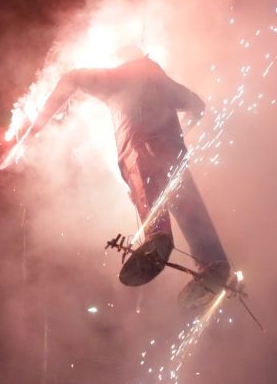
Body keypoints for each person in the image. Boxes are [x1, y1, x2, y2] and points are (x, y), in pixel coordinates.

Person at [29, 45, 231, 308]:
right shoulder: (163, 82)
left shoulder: (115, 78)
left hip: (137, 148)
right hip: (174, 151)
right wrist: (187, 129)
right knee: (187, 201)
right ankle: (213, 259)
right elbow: (198, 105)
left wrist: (37, 124)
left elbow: (72, 78)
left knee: (146, 188)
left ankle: (158, 235)